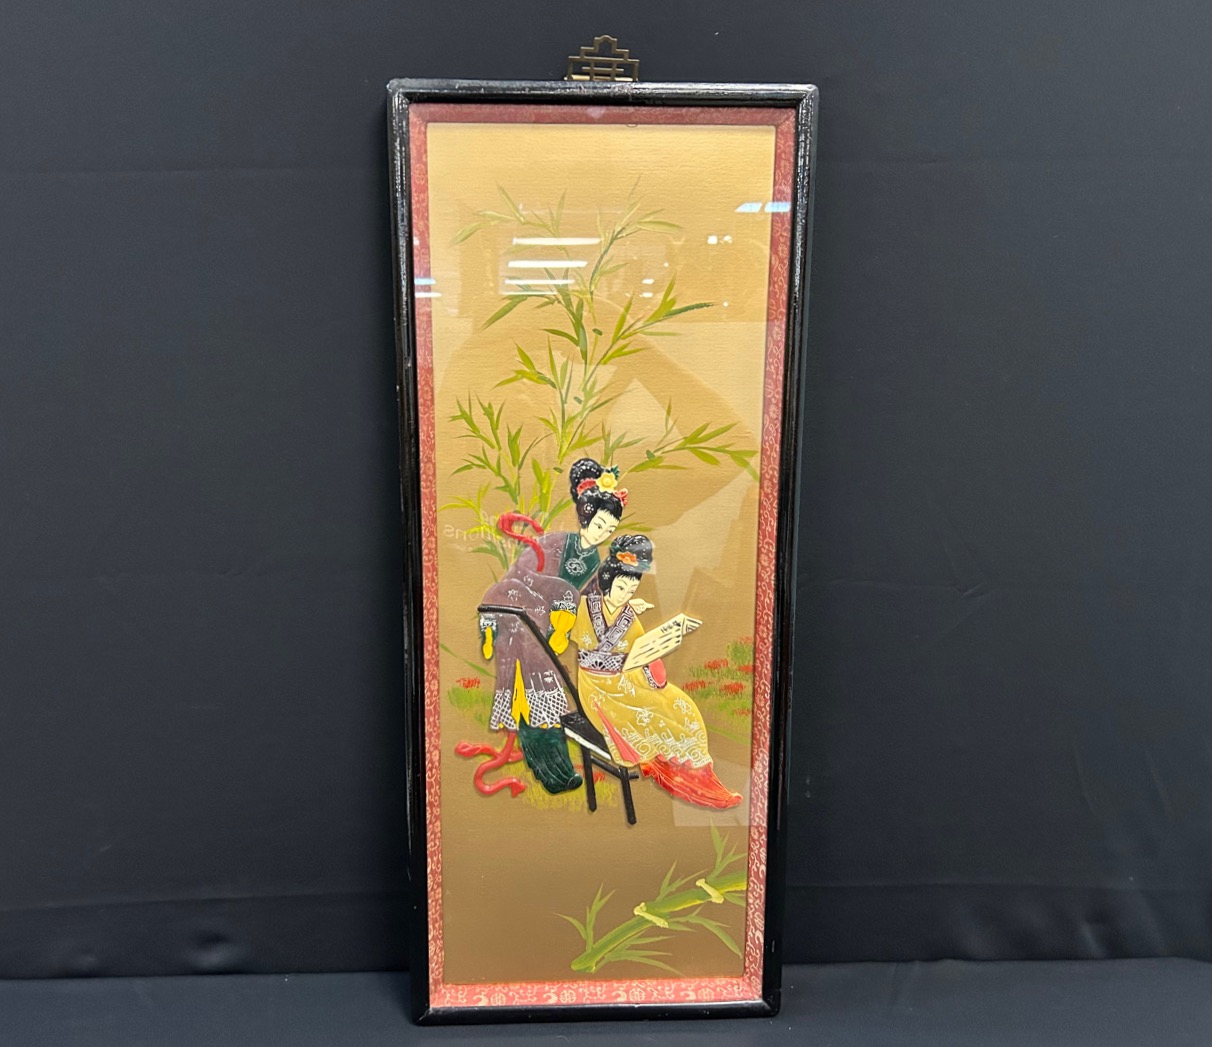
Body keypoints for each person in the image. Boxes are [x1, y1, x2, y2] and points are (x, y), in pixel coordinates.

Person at [477, 458, 626, 794]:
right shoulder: (555, 541)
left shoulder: (594, 560)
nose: (603, 532)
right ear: (586, 516)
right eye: (600, 523)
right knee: (535, 693)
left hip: (551, 629)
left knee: (549, 692)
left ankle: (557, 770)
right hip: (519, 615)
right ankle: (553, 772)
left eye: (610, 529)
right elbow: (522, 573)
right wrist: (561, 595)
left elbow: (588, 599)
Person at [572, 535, 742, 809]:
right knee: (649, 718)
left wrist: (655, 654)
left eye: (631, 589)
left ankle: (704, 780)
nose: (625, 594)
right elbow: (561, 631)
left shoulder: (629, 617)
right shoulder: (584, 608)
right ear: (608, 582)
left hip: (625, 679)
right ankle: (683, 777)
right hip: (597, 689)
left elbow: (638, 655)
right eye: (621, 587)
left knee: (678, 704)